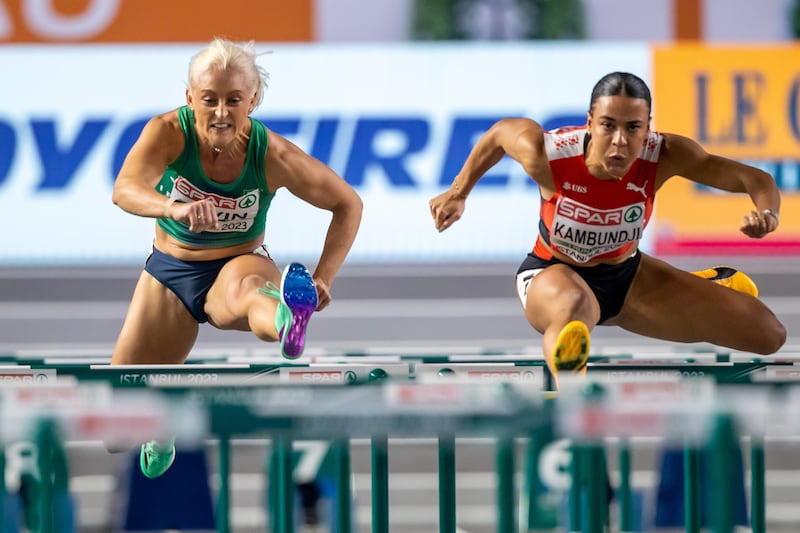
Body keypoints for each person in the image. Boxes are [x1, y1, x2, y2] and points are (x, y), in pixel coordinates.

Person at [429, 71, 786, 389]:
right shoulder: (548, 154)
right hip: (553, 275)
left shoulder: (664, 154)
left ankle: (707, 283)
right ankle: (572, 391)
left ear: (647, 128)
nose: (619, 141)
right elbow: (498, 135)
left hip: (629, 279)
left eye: (633, 128)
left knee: (768, 334)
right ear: (590, 123)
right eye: (608, 126)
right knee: (574, 305)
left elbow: (756, 179)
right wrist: (458, 193)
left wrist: (768, 213)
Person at [110, 37, 363, 477]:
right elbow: (125, 189)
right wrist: (173, 207)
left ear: (254, 100)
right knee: (115, 432)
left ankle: (288, 316)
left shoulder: (273, 154)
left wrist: (324, 278)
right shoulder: (168, 132)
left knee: (250, 293)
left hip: (238, 262)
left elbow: (348, 204)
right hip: (170, 270)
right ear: (190, 98)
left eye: (234, 100)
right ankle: (160, 424)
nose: (222, 113)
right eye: (209, 100)